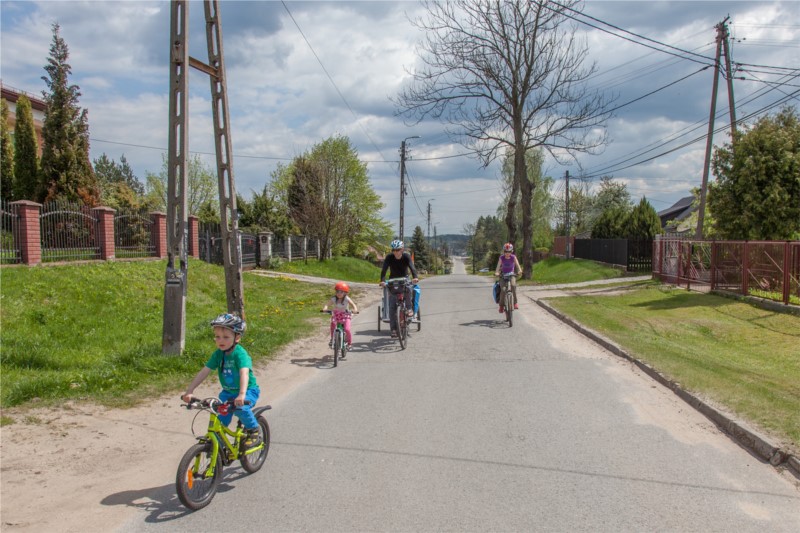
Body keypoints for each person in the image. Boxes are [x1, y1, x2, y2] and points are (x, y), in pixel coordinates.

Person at [181, 313, 261, 449]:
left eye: (225, 337)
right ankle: (219, 444)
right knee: (221, 417)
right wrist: (190, 391)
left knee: (241, 409)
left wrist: (242, 394)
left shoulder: (240, 354)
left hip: (248, 390)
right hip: (228, 393)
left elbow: (244, 373)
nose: (220, 340)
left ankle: (253, 430)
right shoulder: (218, 354)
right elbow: (205, 371)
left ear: (237, 337)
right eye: (217, 337)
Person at [379, 239, 419, 338]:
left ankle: (409, 309)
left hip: (405, 278)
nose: (396, 252)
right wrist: (382, 280)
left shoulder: (406, 256)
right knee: (392, 305)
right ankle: (393, 329)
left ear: (402, 249)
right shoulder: (389, 257)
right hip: (393, 279)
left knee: (409, 289)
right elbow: (384, 270)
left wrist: (415, 277)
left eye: (398, 250)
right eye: (394, 250)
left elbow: (412, 267)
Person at [323, 281, 359, 350]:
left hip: (346, 315)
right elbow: (327, 304)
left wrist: (355, 309)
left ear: (345, 293)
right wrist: (325, 308)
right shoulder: (334, 299)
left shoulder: (347, 299)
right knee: (333, 325)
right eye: (337, 292)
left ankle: (349, 343)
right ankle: (332, 339)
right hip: (336, 315)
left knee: (347, 329)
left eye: (341, 292)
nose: (339, 294)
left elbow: (353, 305)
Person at [494, 242, 523, 313]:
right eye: (506, 251)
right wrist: (497, 272)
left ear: (511, 251)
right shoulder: (501, 258)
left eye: (509, 251)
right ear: (504, 251)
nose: (507, 253)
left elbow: (517, 265)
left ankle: (515, 302)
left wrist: (519, 271)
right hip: (503, 275)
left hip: (511, 275)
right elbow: (498, 267)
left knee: (513, 286)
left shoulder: (513, 257)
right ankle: (501, 306)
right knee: (503, 290)